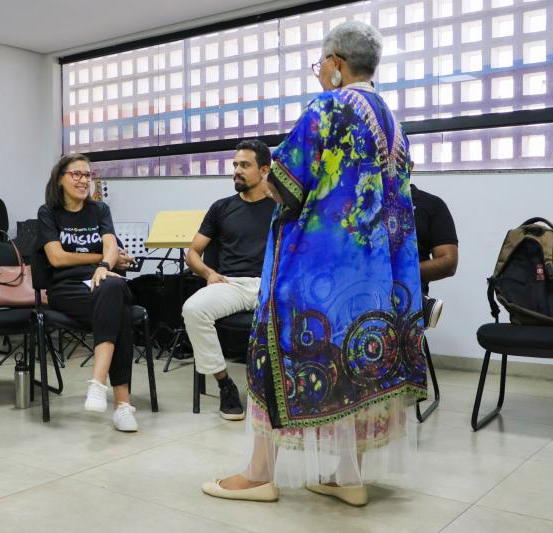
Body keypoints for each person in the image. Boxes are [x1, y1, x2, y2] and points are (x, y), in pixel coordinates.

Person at [202, 21, 427, 506]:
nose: (319, 71)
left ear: (338, 65)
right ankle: (349, 477)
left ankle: (260, 475)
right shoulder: (394, 121)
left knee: (279, 355)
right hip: (375, 277)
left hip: (317, 273)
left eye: (321, 63)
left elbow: (283, 182)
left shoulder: (329, 106)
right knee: (358, 365)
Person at [37, 153, 138, 432]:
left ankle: (98, 383)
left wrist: (105, 264)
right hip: (67, 290)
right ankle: (122, 405)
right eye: (76, 174)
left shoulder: (99, 210)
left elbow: (110, 245)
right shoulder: (48, 213)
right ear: (60, 180)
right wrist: (100, 259)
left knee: (114, 286)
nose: (83, 180)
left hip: (103, 284)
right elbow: (56, 258)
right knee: (121, 311)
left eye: (87, 175)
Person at [183, 139, 275, 421]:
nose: (236, 170)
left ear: (264, 171)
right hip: (230, 284)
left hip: (268, 284)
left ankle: (280, 391)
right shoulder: (221, 208)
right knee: (193, 309)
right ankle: (225, 384)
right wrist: (209, 273)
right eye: (235, 164)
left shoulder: (280, 209)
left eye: (244, 165)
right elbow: (193, 253)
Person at [410, 182, 458, 328]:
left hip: (407, 293)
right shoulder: (354, 205)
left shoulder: (430, 204)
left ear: (410, 165)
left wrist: (398, 274)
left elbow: (448, 262)